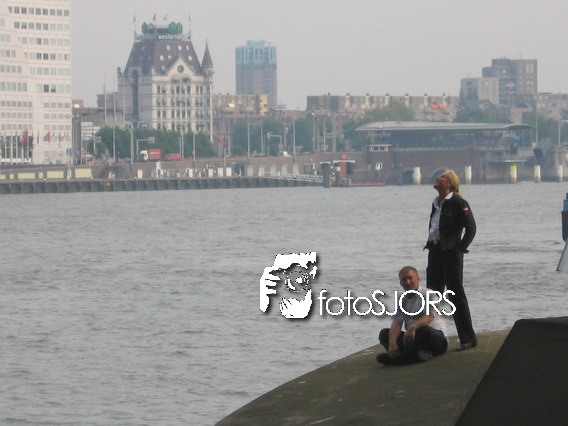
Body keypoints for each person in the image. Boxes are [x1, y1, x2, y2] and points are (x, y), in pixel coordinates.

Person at [425, 170, 477, 351]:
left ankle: (467, 339)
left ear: (449, 184)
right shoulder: (436, 203)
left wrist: (460, 249)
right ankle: (432, 338)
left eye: (442, 177)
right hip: (435, 252)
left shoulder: (459, 203)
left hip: (450, 253)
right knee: (432, 296)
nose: (437, 178)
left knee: (455, 296)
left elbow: (471, 228)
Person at [377, 266, 448, 365]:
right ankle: (414, 355)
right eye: (404, 279)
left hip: (435, 339)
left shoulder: (429, 294)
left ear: (418, 279)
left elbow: (429, 317)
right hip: (414, 339)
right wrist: (392, 343)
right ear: (400, 283)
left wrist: (413, 327)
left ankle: (402, 358)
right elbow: (397, 323)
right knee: (384, 333)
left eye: (410, 278)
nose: (407, 282)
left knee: (423, 330)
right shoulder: (402, 300)